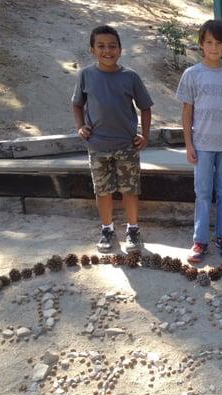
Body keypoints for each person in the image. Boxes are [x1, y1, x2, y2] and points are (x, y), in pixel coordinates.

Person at [72, 25, 153, 253]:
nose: (107, 51)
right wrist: (80, 127)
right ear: (92, 49)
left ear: (120, 49)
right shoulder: (86, 75)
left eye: (112, 46)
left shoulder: (130, 76)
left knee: (130, 190)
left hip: (126, 146)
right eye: (101, 46)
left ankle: (133, 229)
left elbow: (145, 108)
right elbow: (77, 104)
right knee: (103, 190)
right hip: (97, 146)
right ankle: (107, 229)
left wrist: (145, 136)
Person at [176, 19, 222, 264]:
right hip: (202, 145)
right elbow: (187, 112)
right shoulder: (192, 75)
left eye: (219, 43)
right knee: (203, 193)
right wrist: (188, 144)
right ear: (201, 45)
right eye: (209, 42)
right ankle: (200, 240)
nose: (214, 47)